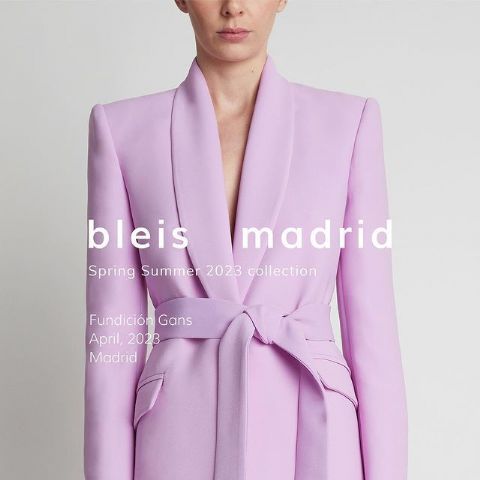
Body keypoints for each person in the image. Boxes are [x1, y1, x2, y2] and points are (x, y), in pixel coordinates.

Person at [84, 1, 408, 479]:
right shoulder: (122, 131)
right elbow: (111, 340)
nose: (233, 7)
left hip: (314, 431)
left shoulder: (348, 125)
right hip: (178, 436)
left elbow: (374, 332)